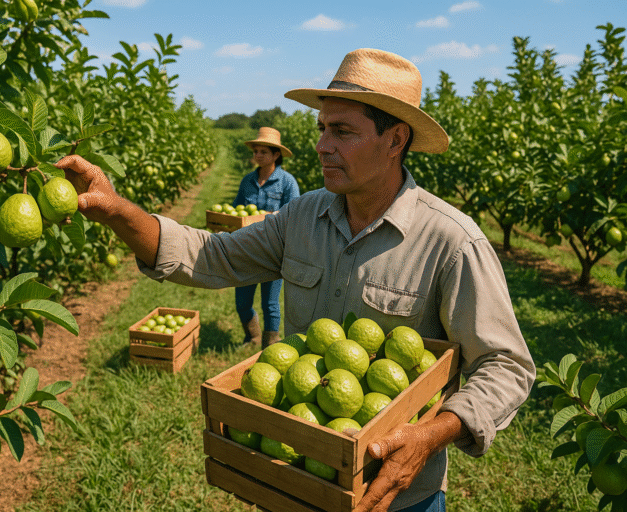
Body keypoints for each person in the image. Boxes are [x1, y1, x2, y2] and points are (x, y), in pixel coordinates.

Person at [55, 48, 535, 512]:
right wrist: (117, 211)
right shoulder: (301, 216)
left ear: (396, 140)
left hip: (395, 497)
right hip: (295, 479)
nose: (323, 145)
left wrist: (430, 437)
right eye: (322, 128)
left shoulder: (451, 241)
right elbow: (210, 254)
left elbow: (507, 366)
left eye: (343, 131)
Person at [233, 127, 300, 348]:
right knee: (242, 301)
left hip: (273, 250)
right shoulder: (247, 181)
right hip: (247, 248)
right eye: (256, 151)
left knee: (270, 303)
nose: (258, 155)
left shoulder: (287, 182)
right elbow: (236, 210)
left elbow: (294, 215)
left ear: (276, 155)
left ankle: (271, 344)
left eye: (263, 152)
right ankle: (252, 337)